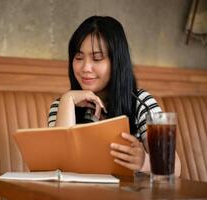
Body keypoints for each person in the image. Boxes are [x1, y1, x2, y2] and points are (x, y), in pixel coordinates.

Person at [48, 16, 181, 175]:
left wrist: (144, 163)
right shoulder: (62, 105)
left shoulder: (140, 102)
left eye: (97, 58)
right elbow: (57, 169)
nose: (85, 67)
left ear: (117, 62)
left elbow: (175, 168)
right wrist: (68, 99)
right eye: (79, 57)